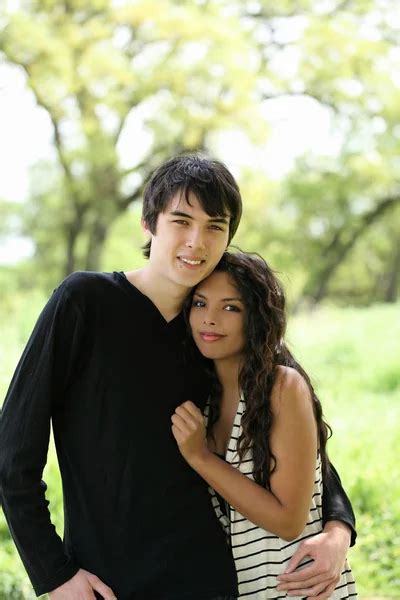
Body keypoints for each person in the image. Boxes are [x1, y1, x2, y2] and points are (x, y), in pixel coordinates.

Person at [0, 154, 355, 600]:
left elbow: (294, 431)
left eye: (214, 227)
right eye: (181, 221)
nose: (196, 242)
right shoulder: (85, 303)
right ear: (149, 224)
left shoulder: (218, 326)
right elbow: (12, 454)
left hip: (215, 581)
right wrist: (55, 574)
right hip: (108, 583)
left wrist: (339, 528)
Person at [171, 250, 357, 599]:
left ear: (256, 317)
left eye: (231, 307)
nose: (209, 319)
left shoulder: (281, 387)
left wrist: (200, 457)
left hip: (298, 586)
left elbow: (289, 521)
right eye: (199, 304)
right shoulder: (203, 401)